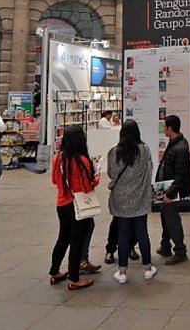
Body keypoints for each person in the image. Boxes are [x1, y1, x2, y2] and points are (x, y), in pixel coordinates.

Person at [49, 125, 100, 290]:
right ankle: (75, 278)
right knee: (76, 241)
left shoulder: (58, 158)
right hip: (78, 205)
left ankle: (54, 271)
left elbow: (54, 181)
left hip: (61, 203)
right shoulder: (82, 161)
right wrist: (96, 179)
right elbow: (87, 186)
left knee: (63, 238)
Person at [106, 120, 156, 284]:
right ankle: (148, 269)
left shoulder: (114, 152)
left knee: (123, 234)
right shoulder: (145, 150)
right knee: (142, 232)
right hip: (139, 198)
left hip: (120, 199)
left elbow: (112, 174)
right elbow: (150, 170)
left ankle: (122, 272)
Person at [155, 114, 190, 265]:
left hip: (172, 190)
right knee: (165, 217)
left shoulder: (180, 148)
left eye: (164, 126)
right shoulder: (174, 143)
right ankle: (165, 246)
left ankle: (180, 251)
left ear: (170, 128)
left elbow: (181, 175)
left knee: (172, 220)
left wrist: (170, 193)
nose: (163, 128)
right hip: (167, 187)